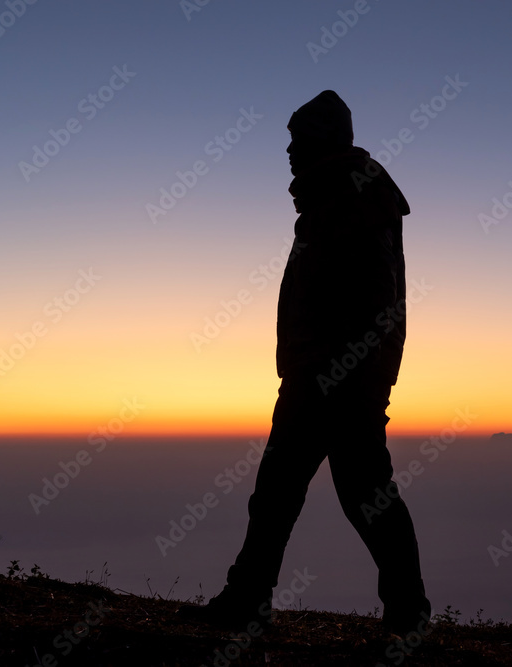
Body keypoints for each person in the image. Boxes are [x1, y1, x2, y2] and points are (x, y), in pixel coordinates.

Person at [178, 90, 431, 637]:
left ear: (324, 141)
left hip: (337, 379)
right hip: (319, 374)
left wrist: (351, 373)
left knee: (357, 493)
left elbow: (374, 297)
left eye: (299, 140)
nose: (289, 152)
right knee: (282, 491)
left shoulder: (356, 196)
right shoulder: (332, 198)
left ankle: (407, 612)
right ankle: (249, 599)